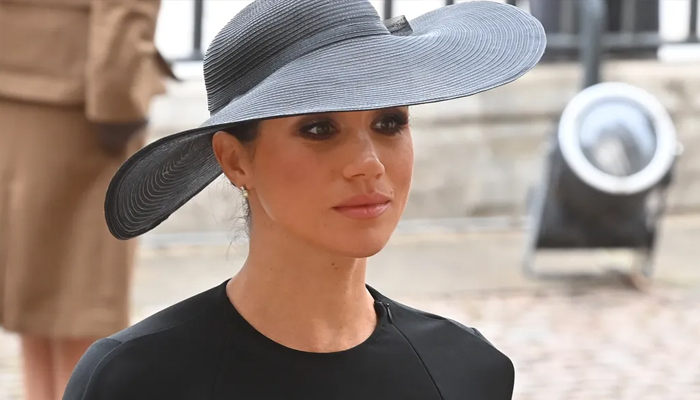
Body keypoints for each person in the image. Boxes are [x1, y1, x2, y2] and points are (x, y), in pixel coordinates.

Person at [64, 0, 546, 398]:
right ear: (235, 160)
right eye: (319, 129)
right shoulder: (135, 380)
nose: (368, 163)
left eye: (389, 123)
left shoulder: (466, 373)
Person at [0, 0, 170, 399]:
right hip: (82, 97)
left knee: (38, 290)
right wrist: (120, 104)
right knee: (82, 296)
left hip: (17, 75)